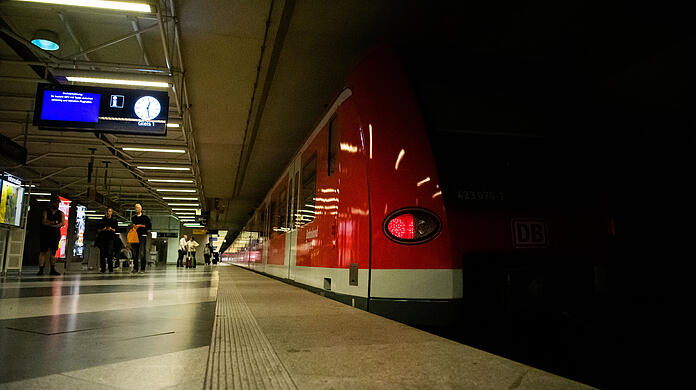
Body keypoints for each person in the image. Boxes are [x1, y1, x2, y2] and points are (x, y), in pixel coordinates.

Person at [38, 195, 64, 276]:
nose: (57, 205)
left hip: (55, 234)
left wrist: (51, 223)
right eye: (55, 203)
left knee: (53, 252)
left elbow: (62, 223)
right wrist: (54, 223)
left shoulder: (60, 213)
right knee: (43, 251)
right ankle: (41, 269)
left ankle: (52, 269)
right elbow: (44, 221)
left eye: (58, 203)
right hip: (45, 233)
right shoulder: (46, 211)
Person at [130, 203, 152, 274]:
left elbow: (149, 226)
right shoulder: (133, 218)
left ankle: (142, 268)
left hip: (143, 236)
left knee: (142, 252)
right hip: (135, 236)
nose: (137, 209)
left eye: (138, 208)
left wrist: (141, 225)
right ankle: (135, 268)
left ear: (141, 209)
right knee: (135, 253)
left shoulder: (145, 218)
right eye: (136, 208)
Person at [96, 208, 118, 273]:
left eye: (110, 211)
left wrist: (111, 229)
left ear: (111, 213)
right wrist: (103, 229)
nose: (108, 213)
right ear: (105, 212)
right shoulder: (101, 221)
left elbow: (116, 230)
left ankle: (110, 268)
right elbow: (98, 230)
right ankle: (103, 268)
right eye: (107, 211)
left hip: (110, 238)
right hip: (102, 238)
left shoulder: (114, 221)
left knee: (109, 253)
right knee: (102, 253)